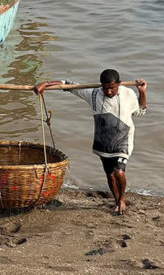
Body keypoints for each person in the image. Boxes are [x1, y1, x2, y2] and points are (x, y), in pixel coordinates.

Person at [34, 69, 147, 216]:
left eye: (112, 88)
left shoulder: (128, 93)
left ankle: (122, 199)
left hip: (123, 139)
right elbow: (67, 85)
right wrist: (45, 84)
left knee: (119, 172)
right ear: (101, 86)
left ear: (119, 84)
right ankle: (116, 200)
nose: (109, 92)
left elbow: (141, 111)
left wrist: (142, 92)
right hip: (103, 141)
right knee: (110, 175)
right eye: (105, 88)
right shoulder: (93, 94)